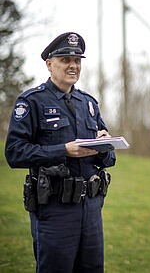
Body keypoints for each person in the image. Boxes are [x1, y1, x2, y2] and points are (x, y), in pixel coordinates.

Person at [4, 32, 116, 273]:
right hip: (55, 208)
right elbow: (14, 152)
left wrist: (105, 146)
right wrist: (63, 151)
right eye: (65, 60)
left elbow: (110, 157)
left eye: (77, 60)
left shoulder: (88, 103)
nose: (73, 66)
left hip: (91, 208)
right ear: (49, 64)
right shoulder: (32, 102)